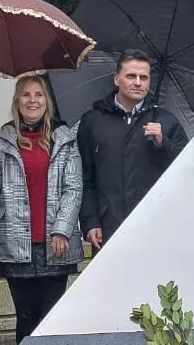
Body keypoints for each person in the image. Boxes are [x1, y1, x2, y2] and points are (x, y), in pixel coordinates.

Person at [0, 74, 83, 342]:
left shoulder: (64, 138)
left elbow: (74, 188)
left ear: (47, 101)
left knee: (51, 317)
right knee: (25, 317)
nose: (33, 100)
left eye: (39, 94)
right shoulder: (3, 138)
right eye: (26, 95)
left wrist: (62, 230)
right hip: (15, 244)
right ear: (17, 101)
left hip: (55, 244)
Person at [77, 51, 188, 251]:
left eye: (143, 77)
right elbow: (85, 178)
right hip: (108, 226)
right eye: (131, 76)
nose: (138, 82)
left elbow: (186, 171)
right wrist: (90, 220)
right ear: (117, 79)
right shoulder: (92, 121)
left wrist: (164, 144)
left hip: (154, 226)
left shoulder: (167, 122)